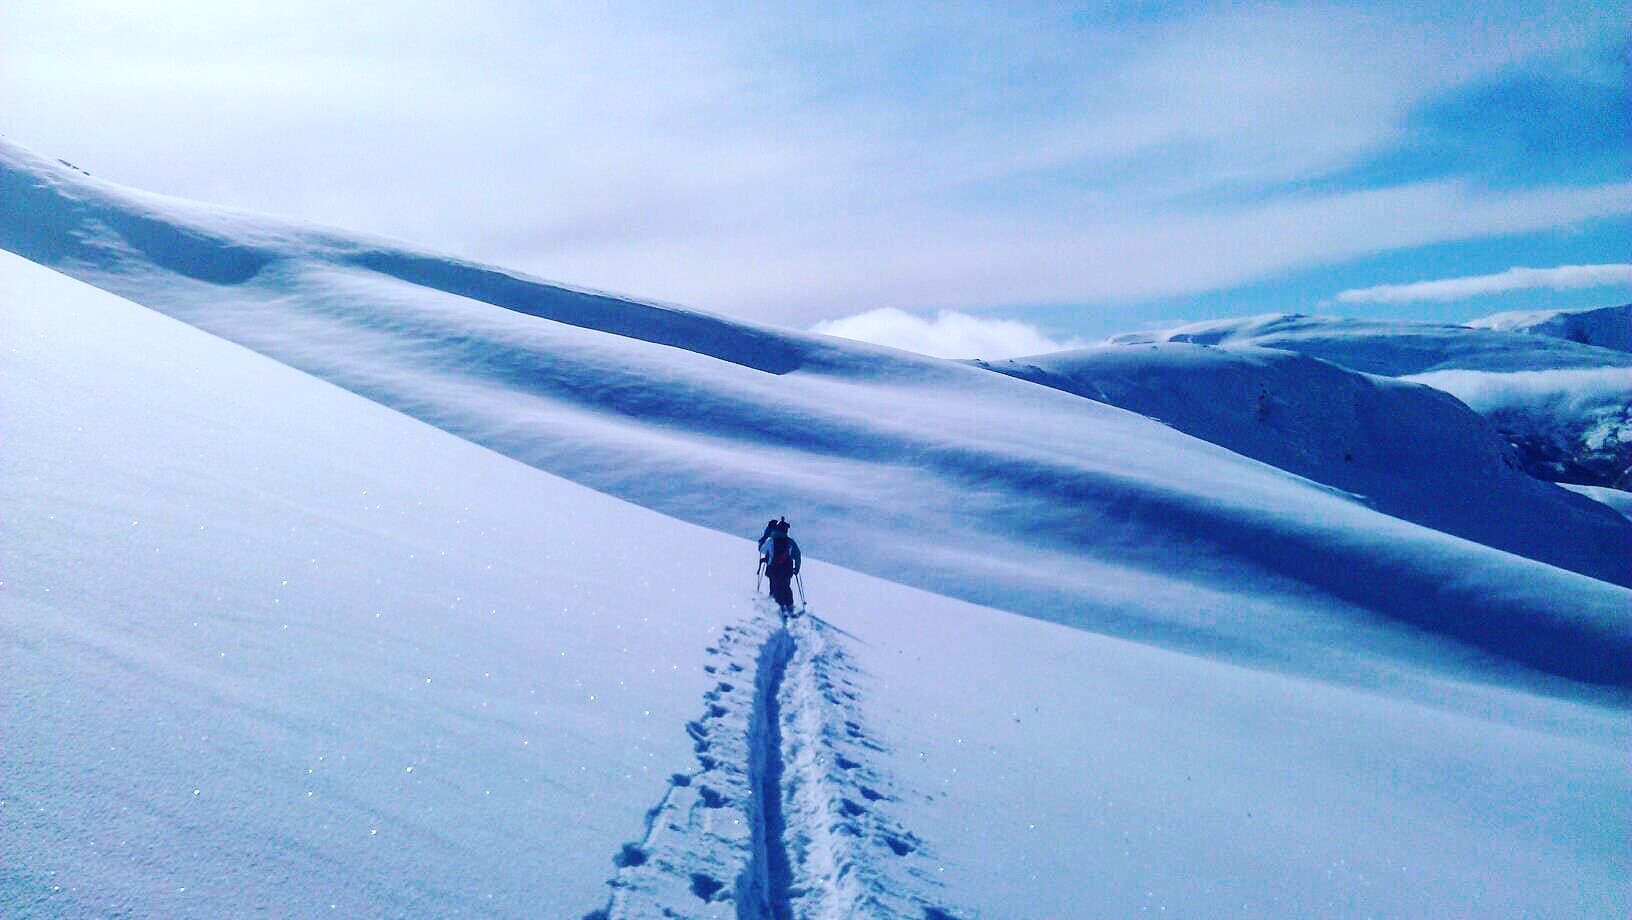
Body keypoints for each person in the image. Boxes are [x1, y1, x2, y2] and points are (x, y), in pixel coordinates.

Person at [757, 518, 801, 615]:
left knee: (774, 587)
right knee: (786, 588)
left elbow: (761, 549)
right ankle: (789, 608)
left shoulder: (770, 540)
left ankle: (777, 609)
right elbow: (797, 555)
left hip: (773, 569)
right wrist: (796, 569)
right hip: (787, 570)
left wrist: (767, 531)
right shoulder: (790, 542)